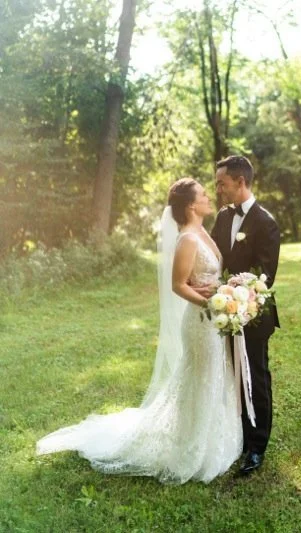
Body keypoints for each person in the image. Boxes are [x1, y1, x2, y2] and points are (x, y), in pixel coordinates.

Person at [36, 178, 242, 484]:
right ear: (191, 205)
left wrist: (225, 290)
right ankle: (192, 445)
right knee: (201, 378)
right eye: (203, 194)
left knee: (210, 378)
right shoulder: (187, 239)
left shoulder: (202, 232)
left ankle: (209, 436)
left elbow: (209, 275)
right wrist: (211, 303)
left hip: (214, 318)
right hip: (201, 321)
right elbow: (178, 285)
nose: (209, 196)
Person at [211, 155, 280, 475]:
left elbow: (265, 276)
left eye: (222, 184)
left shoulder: (266, 222)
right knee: (231, 377)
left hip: (253, 312)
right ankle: (236, 434)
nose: (219, 190)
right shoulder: (223, 218)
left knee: (255, 378)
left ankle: (257, 446)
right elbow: (213, 259)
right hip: (224, 312)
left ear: (240, 182)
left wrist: (239, 297)